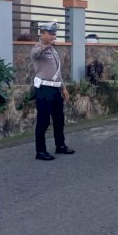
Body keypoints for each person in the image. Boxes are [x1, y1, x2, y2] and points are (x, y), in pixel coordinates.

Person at [31, 21, 75, 160]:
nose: (53, 36)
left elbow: (57, 72)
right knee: (43, 121)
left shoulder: (53, 51)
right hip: (44, 89)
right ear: (42, 33)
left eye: (54, 34)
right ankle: (40, 151)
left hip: (55, 89)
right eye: (50, 34)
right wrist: (47, 46)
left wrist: (64, 88)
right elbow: (37, 55)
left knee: (59, 119)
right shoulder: (36, 49)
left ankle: (60, 146)